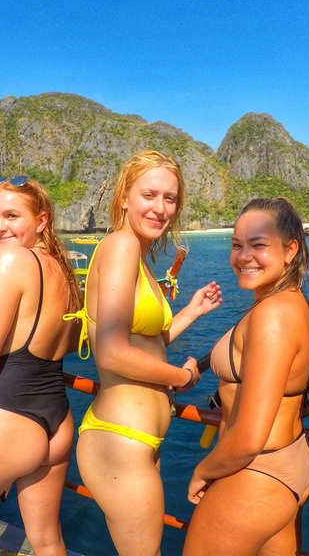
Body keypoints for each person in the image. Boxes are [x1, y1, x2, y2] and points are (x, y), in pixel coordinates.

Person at [71, 150, 222, 556]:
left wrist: (191, 310)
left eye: (170, 199)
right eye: (149, 195)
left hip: (137, 440)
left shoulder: (134, 255)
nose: (160, 209)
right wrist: (184, 378)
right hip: (120, 442)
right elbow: (112, 355)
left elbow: (146, 342)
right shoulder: (121, 246)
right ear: (124, 197)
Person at [184, 197, 309, 556]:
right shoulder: (300, 306)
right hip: (291, 465)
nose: (244, 256)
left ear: (290, 249)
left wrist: (204, 469)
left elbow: (248, 438)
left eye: (258, 245)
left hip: (256, 473)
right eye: (236, 245)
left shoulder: (272, 316)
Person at [0, 176, 82, 556]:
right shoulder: (65, 272)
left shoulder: (10, 260)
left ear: (41, 220)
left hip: (6, 420)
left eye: (12, 215)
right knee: (46, 539)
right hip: (56, 420)